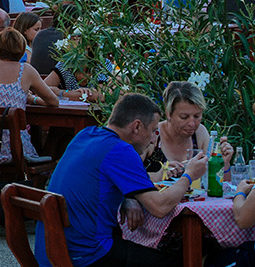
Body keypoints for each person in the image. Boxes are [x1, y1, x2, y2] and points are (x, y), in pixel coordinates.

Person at [36, 93, 208, 267]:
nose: (153, 139)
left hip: (52, 251)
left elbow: (97, 181)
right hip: (88, 255)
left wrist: (128, 197)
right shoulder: (121, 150)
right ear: (137, 126)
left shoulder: (86, 135)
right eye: (153, 130)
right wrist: (189, 175)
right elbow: (160, 207)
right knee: (180, 261)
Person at [0, 28, 58, 171]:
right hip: (12, 150)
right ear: (21, 52)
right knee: (57, 140)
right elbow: (53, 102)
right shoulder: (25, 70)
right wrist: (32, 99)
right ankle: (34, 187)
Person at [141, 81, 233, 180]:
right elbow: (128, 177)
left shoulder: (199, 133)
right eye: (184, 117)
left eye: (197, 116)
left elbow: (220, 182)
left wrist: (224, 163)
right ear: (168, 113)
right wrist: (158, 176)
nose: (192, 123)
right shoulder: (152, 136)